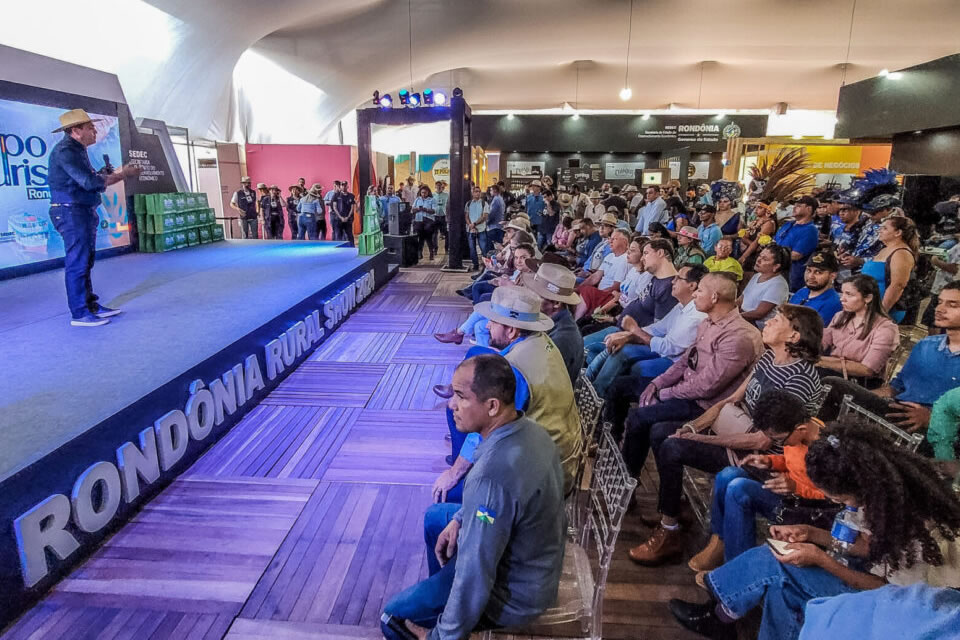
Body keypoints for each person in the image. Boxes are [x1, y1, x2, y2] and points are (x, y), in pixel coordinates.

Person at [669, 419, 960, 640]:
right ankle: (724, 613)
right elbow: (870, 546)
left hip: (893, 614)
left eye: (842, 499)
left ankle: (720, 613)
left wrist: (822, 559)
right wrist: (813, 534)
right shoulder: (885, 495)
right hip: (882, 587)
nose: (842, 506)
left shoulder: (918, 530)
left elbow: (891, 596)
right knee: (781, 590)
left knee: (775, 566)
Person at [381, 355, 565, 640]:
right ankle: (442, 601)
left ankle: (447, 622)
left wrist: (442, 635)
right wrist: (459, 518)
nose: (451, 405)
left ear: (492, 406)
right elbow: (493, 510)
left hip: (515, 594)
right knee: (436, 518)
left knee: (392, 617)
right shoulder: (532, 431)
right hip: (537, 565)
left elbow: (476, 571)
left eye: (460, 397)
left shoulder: (490, 478)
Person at [629, 304, 823, 565]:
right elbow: (731, 400)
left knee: (672, 447)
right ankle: (674, 507)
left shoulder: (800, 378)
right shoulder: (768, 359)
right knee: (661, 431)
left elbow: (764, 440)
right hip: (739, 431)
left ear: (794, 337)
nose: (767, 324)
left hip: (764, 457)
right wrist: (692, 427)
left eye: (776, 321)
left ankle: (670, 530)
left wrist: (700, 439)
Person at [604, 273, 763, 471]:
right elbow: (686, 361)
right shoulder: (707, 323)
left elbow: (706, 387)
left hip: (706, 406)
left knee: (640, 417)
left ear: (714, 297)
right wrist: (657, 383)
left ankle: (627, 480)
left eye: (700, 290)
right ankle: (610, 445)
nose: (695, 294)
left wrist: (663, 394)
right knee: (621, 385)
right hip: (687, 391)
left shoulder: (739, 337)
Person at [689, 391, 824, 574]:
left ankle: (737, 571)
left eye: (778, 439)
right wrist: (770, 462)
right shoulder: (795, 434)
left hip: (804, 509)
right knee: (727, 475)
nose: (777, 442)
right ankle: (720, 541)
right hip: (785, 493)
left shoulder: (825, 450)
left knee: (739, 489)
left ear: (800, 429)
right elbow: (793, 461)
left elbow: (833, 498)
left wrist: (797, 487)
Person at [819, 281, 960, 433]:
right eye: (939, 302)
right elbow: (896, 387)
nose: (939, 309)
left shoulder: (884, 327)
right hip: (897, 410)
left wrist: (932, 418)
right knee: (833, 385)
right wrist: (864, 398)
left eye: (952, 305)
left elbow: (868, 369)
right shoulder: (926, 345)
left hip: (936, 428)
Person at [46, 109, 140, 326]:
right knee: (78, 261)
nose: (95, 131)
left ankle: (90, 305)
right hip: (70, 212)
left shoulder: (76, 150)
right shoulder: (66, 151)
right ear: (75, 131)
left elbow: (88, 180)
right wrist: (121, 174)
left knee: (85, 260)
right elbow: (90, 183)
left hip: (78, 210)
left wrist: (105, 175)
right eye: (90, 127)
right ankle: (80, 313)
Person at [586, 264, 708, 396]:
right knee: (602, 346)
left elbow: (668, 348)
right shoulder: (681, 305)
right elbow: (658, 328)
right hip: (661, 349)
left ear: (692, 286)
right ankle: (589, 386)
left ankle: (596, 395)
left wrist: (634, 331)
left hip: (671, 360)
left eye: (678, 278)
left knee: (623, 352)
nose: (673, 281)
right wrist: (627, 335)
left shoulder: (695, 316)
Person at [817, 275, 898, 387]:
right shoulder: (840, 316)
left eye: (849, 294)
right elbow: (822, 342)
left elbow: (867, 369)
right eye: (842, 293)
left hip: (860, 382)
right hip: (832, 371)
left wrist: (820, 361)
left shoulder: (885, 329)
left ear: (868, 298)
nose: (842, 298)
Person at [524, 262, 586, 383]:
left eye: (537, 295)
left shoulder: (562, 338)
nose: (530, 298)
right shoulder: (555, 322)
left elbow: (537, 380)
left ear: (556, 303)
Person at [861, 215, 919, 323]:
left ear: (898, 233)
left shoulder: (901, 253)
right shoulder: (885, 249)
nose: (880, 230)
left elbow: (897, 286)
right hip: (867, 305)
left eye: (885, 228)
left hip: (883, 308)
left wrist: (881, 312)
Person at [575, 228, 631, 319]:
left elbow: (616, 287)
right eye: (610, 239)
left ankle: (577, 321)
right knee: (579, 287)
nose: (610, 241)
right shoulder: (610, 256)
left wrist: (597, 293)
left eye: (614, 239)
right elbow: (595, 277)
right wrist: (578, 288)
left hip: (609, 296)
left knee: (587, 291)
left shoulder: (624, 260)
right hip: (600, 291)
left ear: (624, 242)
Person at [774, 195, 820, 292]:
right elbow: (774, 242)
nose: (794, 207)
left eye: (799, 206)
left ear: (809, 209)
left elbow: (796, 255)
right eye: (794, 205)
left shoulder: (810, 230)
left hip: (791, 276)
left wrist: (773, 255)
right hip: (776, 270)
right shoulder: (788, 224)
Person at [740, 244, 791, 328]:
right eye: (760, 256)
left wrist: (734, 317)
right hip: (744, 319)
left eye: (765, 259)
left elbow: (759, 314)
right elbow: (741, 299)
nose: (759, 260)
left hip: (758, 327)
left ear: (776, 266)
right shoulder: (757, 276)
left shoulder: (779, 285)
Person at [789, 250, 843, 326]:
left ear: (832, 276)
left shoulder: (832, 303)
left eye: (818, 272)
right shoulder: (802, 291)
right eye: (808, 270)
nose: (811, 276)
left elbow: (810, 334)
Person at [924, 241, 960, 330]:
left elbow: (955, 269)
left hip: (949, 288)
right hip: (944, 287)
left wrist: (936, 261)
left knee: (937, 321)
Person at [737, 201, 777, 271]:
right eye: (755, 207)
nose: (755, 210)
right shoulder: (756, 221)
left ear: (767, 210)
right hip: (750, 251)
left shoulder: (769, 223)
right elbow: (744, 237)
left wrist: (743, 257)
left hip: (758, 255)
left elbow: (756, 242)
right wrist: (752, 244)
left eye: (759, 208)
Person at [464, 186, 490, 270]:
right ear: (472, 193)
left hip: (481, 229)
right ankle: (475, 265)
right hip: (471, 229)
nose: (477, 193)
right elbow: (466, 216)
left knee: (484, 248)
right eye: (475, 191)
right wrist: (470, 225)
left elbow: (484, 216)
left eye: (479, 191)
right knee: (472, 249)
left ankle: (486, 266)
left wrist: (474, 224)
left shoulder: (484, 203)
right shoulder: (468, 203)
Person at [413, 185, 438, 260]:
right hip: (419, 220)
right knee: (420, 237)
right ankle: (420, 253)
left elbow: (434, 211)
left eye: (425, 193)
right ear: (420, 193)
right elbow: (413, 209)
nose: (423, 194)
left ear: (428, 192)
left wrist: (425, 209)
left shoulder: (432, 200)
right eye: (422, 192)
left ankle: (431, 253)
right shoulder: (417, 199)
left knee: (428, 237)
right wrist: (417, 209)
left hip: (428, 221)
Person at [332, 181, 356, 246]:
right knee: (338, 235)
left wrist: (348, 217)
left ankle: (352, 247)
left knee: (350, 235)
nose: (343, 187)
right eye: (342, 185)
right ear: (340, 186)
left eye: (345, 185)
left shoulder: (351, 196)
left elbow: (352, 208)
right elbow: (335, 207)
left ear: (347, 186)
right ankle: (338, 249)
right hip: (338, 219)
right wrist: (340, 217)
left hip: (348, 219)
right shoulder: (336, 195)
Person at [433, 180, 449, 251]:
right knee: (434, 233)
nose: (439, 187)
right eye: (437, 186)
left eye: (440, 186)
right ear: (435, 187)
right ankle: (435, 248)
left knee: (446, 233)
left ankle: (446, 247)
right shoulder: (432, 195)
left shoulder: (446, 195)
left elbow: (448, 205)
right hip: (435, 216)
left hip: (443, 216)